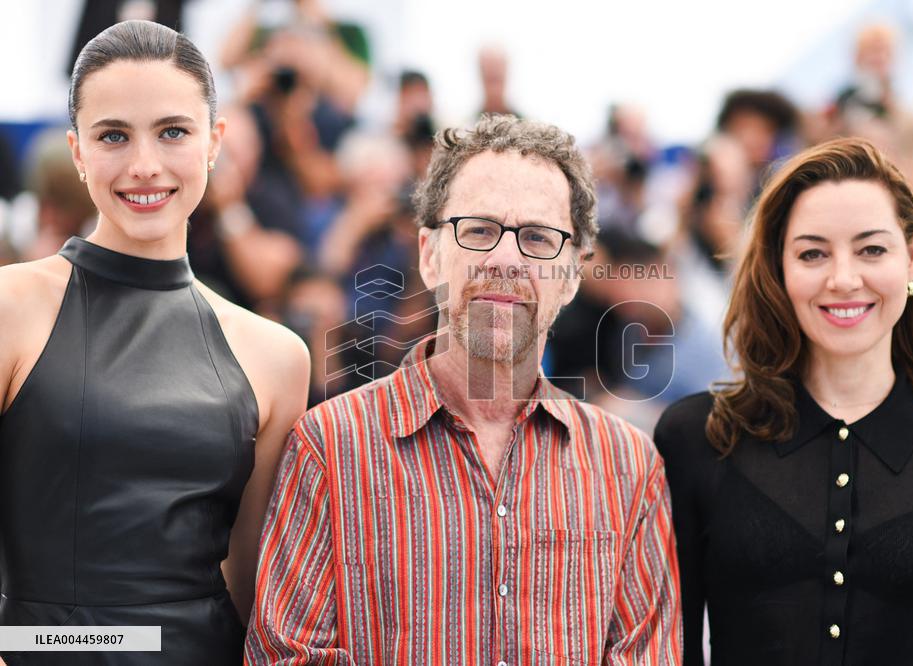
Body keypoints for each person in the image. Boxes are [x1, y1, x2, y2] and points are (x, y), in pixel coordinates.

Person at [246, 115, 682, 664]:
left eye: (538, 239)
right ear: (430, 255)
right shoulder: (330, 447)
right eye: (478, 230)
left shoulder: (629, 468)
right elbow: (286, 656)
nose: (505, 260)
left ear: (572, 276)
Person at [0, 20, 310, 665]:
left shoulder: (276, 355)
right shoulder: (11, 306)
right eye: (113, 135)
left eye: (173, 131)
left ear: (213, 143)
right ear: (77, 151)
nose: (145, 165)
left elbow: (252, 587)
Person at [655, 137, 913, 665]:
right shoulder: (695, 437)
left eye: (871, 249)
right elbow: (671, 652)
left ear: (911, 260)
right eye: (812, 252)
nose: (843, 279)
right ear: (779, 268)